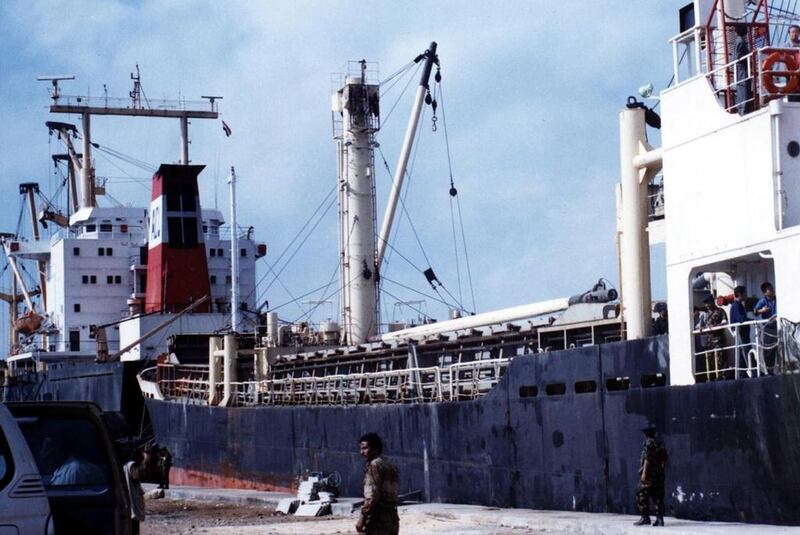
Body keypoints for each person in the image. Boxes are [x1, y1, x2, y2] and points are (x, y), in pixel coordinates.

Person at [356, 433, 399, 535]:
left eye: (365, 448)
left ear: (375, 449)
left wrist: (362, 518)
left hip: (377, 519)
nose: (361, 452)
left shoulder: (374, 465)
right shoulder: (389, 464)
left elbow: (371, 497)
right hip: (392, 518)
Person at [634, 424, 668, 527]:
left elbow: (647, 459)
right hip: (659, 474)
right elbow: (664, 459)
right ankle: (659, 519)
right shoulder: (660, 443)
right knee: (658, 496)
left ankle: (645, 518)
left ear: (646, 434)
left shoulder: (648, 443)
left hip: (650, 474)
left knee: (641, 493)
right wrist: (660, 470)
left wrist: (644, 474)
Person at [755, 282, 778, 373]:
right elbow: (755, 311)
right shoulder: (763, 301)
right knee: (769, 350)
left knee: (779, 347)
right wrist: (762, 310)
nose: (772, 290)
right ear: (765, 292)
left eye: (771, 288)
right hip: (768, 328)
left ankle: (782, 368)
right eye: (769, 289)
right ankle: (770, 371)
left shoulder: (777, 299)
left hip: (778, 326)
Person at [730, 285, 752, 375]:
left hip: (744, 334)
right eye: (745, 293)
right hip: (741, 334)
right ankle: (750, 372)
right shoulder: (736, 306)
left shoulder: (738, 305)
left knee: (744, 354)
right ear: (740, 294)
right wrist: (752, 320)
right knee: (745, 352)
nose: (746, 295)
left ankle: (745, 373)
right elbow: (740, 319)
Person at [124, 450, 146, 535]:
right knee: (134, 526)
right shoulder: (133, 465)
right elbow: (136, 478)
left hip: (129, 497)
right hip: (133, 498)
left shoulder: (126, 465)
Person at [734, 24, 753, 114]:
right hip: (742, 68)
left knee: (743, 87)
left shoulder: (739, 40)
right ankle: (743, 109)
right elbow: (738, 56)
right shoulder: (740, 41)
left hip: (742, 68)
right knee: (744, 87)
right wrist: (749, 57)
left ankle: (743, 108)